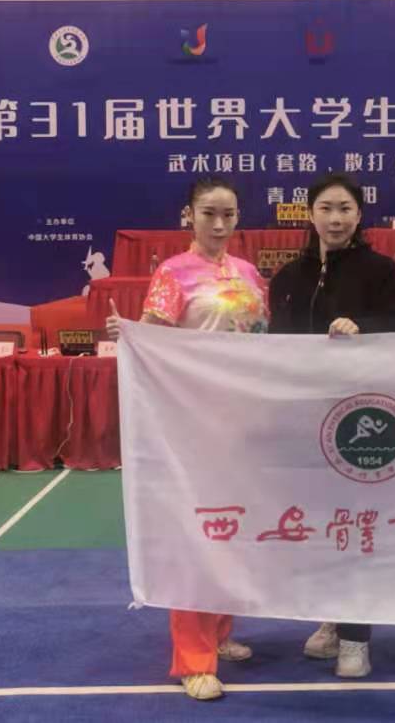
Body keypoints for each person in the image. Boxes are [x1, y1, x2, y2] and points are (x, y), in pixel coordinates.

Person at [106, 177, 267, 702]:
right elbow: (153, 335)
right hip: (193, 423)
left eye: (228, 214)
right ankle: (194, 660)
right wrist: (131, 335)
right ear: (188, 216)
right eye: (208, 213)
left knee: (233, 529)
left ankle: (220, 632)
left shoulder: (248, 274)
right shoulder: (173, 273)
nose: (219, 224)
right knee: (196, 538)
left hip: (246, 423)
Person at [268, 171, 395, 680]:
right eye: (326, 208)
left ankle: (356, 638)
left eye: (345, 208)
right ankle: (330, 618)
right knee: (319, 526)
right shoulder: (288, 278)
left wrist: (362, 328)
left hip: (360, 423)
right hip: (304, 419)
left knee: (357, 526)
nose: (335, 218)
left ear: (359, 215)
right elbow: (275, 347)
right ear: (310, 214)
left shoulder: (382, 270)